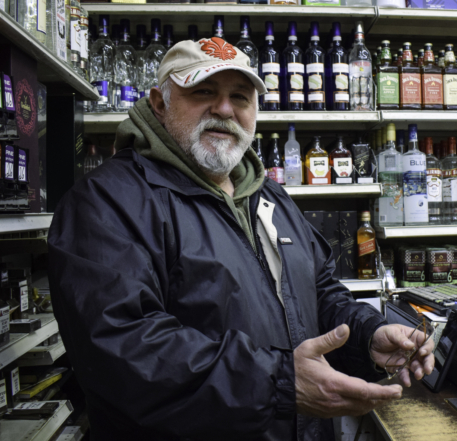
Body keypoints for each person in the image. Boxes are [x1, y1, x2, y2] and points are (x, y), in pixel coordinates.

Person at [48, 37, 434, 441]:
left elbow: (319, 294)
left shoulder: (269, 196)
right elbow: (122, 350)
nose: (225, 109)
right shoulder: (107, 202)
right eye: (203, 92)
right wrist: (280, 383)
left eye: (240, 96)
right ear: (159, 103)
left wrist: (367, 336)